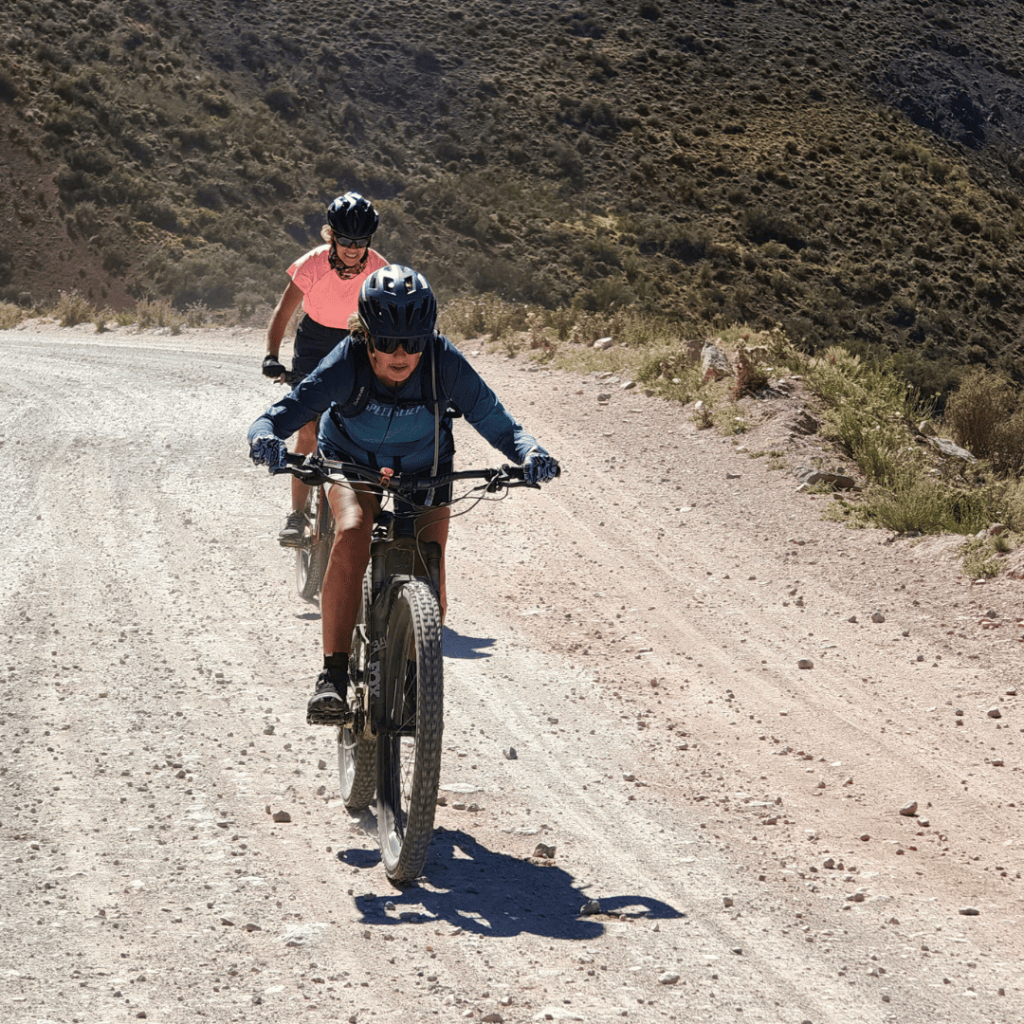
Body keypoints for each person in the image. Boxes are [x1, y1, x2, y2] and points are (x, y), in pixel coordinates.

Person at [248, 265, 560, 725]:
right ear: (366, 336)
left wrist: (530, 452)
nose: (401, 353)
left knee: (429, 559)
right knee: (352, 530)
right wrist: (264, 439)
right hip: (351, 459)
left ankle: (417, 678)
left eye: (413, 341)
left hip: (425, 466)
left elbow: (497, 421)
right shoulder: (346, 361)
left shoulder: (442, 361)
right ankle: (332, 677)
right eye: (388, 341)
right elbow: (281, 415)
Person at [260, 191, 389, 546]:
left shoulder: (379, 269)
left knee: (370, 426)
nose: (352, 247)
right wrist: (272, 355)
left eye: (360, 240)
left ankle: (370, 510)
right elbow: (283, 313)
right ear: (332, 236)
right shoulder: (313, 264)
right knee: (310, 428)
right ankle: (297, 515)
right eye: (345, 239)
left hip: (356, 340)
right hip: (314, 342)